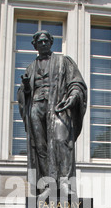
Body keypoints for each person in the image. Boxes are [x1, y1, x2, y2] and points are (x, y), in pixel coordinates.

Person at [17, 30, 87, 197]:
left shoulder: (64, 62)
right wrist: (26, 87)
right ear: (35, 46)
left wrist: (73, 96)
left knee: (62, 142)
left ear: (51, 42)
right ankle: (48, 185)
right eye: (40, 42)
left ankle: (64, 183)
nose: (43, 44)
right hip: (36, 107)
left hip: (57, 107)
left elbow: (76, 83)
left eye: (46, 41)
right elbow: (23, 94)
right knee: (40, 146)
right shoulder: (31, 68)